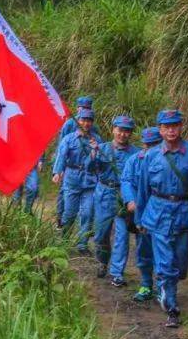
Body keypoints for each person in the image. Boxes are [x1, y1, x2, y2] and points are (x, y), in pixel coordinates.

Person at [133, 108, 188, 328]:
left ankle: (167, 286)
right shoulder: (150, 156)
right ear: (160, 129)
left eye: (175, 126)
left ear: (181, 127)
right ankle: (171, 306)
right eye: (166, 127)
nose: (171, 130)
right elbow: (143, 190)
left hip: (184, 213)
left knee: (180, 266)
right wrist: (140, 219)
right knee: (167, 264)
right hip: (158, 212)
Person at [93, 115, 140, 285]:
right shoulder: (102, 148)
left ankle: (117, 273)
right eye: (120, 130)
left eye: (127, 131)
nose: (123, 134)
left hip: (123, 196)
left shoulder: (136, 153)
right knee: (100, 235)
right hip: (103, 194)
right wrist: (93, 156)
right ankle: (102, 261)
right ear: (113, 129)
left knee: (122, 235)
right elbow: (91, 169)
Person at [52, 107, 102, 254]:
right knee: (70, 212)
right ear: (78, 121)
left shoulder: (97, 139)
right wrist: (57, 172)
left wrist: (96, 150)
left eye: (89, 121)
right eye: (83, 120)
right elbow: (61, 156)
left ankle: (82, 244)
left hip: (90, 179)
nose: (86, 123)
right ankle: (65, 240)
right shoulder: (69, 139)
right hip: (72, 178)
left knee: (87, 213)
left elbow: (102, 160)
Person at [123, 126, 162, 303]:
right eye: (148, 144)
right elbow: (126, 181)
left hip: (164, 211)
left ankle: (163, 287)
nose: (150, 148)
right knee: (144, 249)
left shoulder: (168, 160)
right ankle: (146, 284)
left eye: (155, 144)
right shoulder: (135, 160)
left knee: (164, 250)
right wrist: (130, 200)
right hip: (143, 209)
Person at [56, 96, 96, 224]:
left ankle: (82, 239)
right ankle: (60, 218)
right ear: (77, 108)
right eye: (82, 108)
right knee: (65, 195)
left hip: (88, 174)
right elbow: (62, 146)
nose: (84, 110)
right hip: (71, 169)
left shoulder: (95, 131)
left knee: (87, 210)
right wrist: (58, 169)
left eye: (87, 108)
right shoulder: (69, 124)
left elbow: (100, 147)